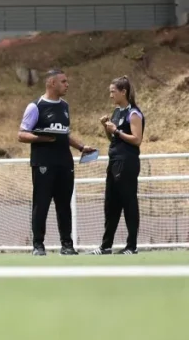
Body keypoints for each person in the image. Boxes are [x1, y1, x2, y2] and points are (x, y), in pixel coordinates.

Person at [18, 68, 97, 256]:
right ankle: (38, 245)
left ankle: (67, 245)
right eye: (63, 81)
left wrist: (80, 147)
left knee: (64, 205)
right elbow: (21, 134)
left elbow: (64, 134)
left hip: (64, 162)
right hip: (43, 162)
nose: (67, 85)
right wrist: (42, 139)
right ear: (51, 83)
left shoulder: (64, 106)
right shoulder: (35, 106)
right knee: (41, 203)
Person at [91, 75, 144, 255]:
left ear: (124, 92)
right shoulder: (116, 112)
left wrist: (118, 131)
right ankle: (106, 245)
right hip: (114, 161)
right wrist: (107, 128)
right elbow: (113, 138)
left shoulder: (134, 113)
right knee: (111, 203)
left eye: (113, 92)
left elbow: (137, 140)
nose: (111, 95)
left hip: (127, 162)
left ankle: (132, 246)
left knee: (128, 202)